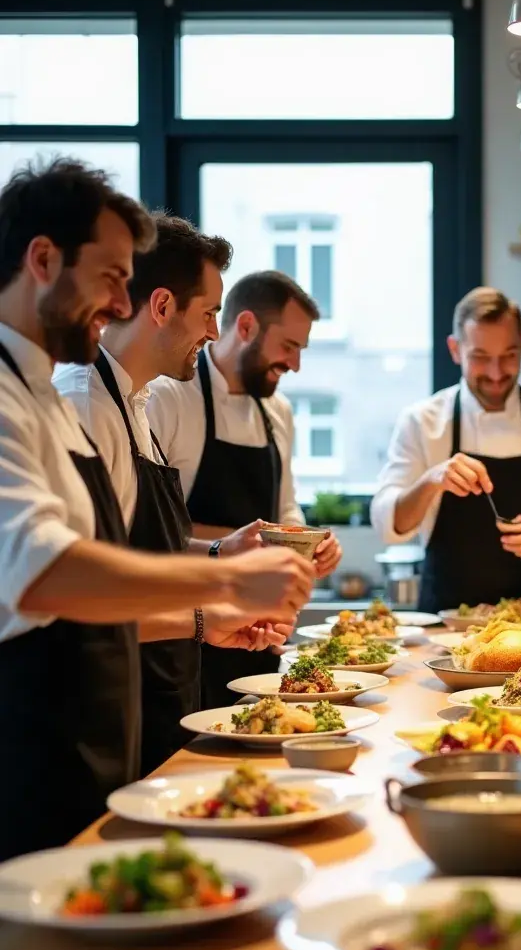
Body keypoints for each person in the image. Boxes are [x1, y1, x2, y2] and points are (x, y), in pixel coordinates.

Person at [0, 159, 313, 859]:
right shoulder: (48, 397)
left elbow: (117, 561)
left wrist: (214, 585)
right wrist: (222, 588)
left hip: (109, 723)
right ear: (43, 261)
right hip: (40, 743)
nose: (121, 302)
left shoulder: (58, 394)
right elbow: (44, 572)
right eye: (113, 277)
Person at [54, 215, 281, 773]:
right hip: (93, 713)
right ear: (161, 307)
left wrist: (217, 552)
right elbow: (82, 603)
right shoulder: (84, 403)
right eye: (208, 313)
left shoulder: (135, 403)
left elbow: (138, 550)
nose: (212, 332)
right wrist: (206, 615)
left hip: (156, 694)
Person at [147, 270, 342, 709]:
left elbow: (286, 509)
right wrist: (230, 545)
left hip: (257, 633)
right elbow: (150, 528)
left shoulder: (279, 410)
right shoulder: (168, 397)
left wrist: (310, 543)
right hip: (182, 634)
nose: (295, 365)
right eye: (288, 347)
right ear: (248, 326)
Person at [370, 286, 521, 613]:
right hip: (444, 633)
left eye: (509, 356)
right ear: (455, 350)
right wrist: (431, 481)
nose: (497, 374)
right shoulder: (421, 422)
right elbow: (387, 523)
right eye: (481, 358)